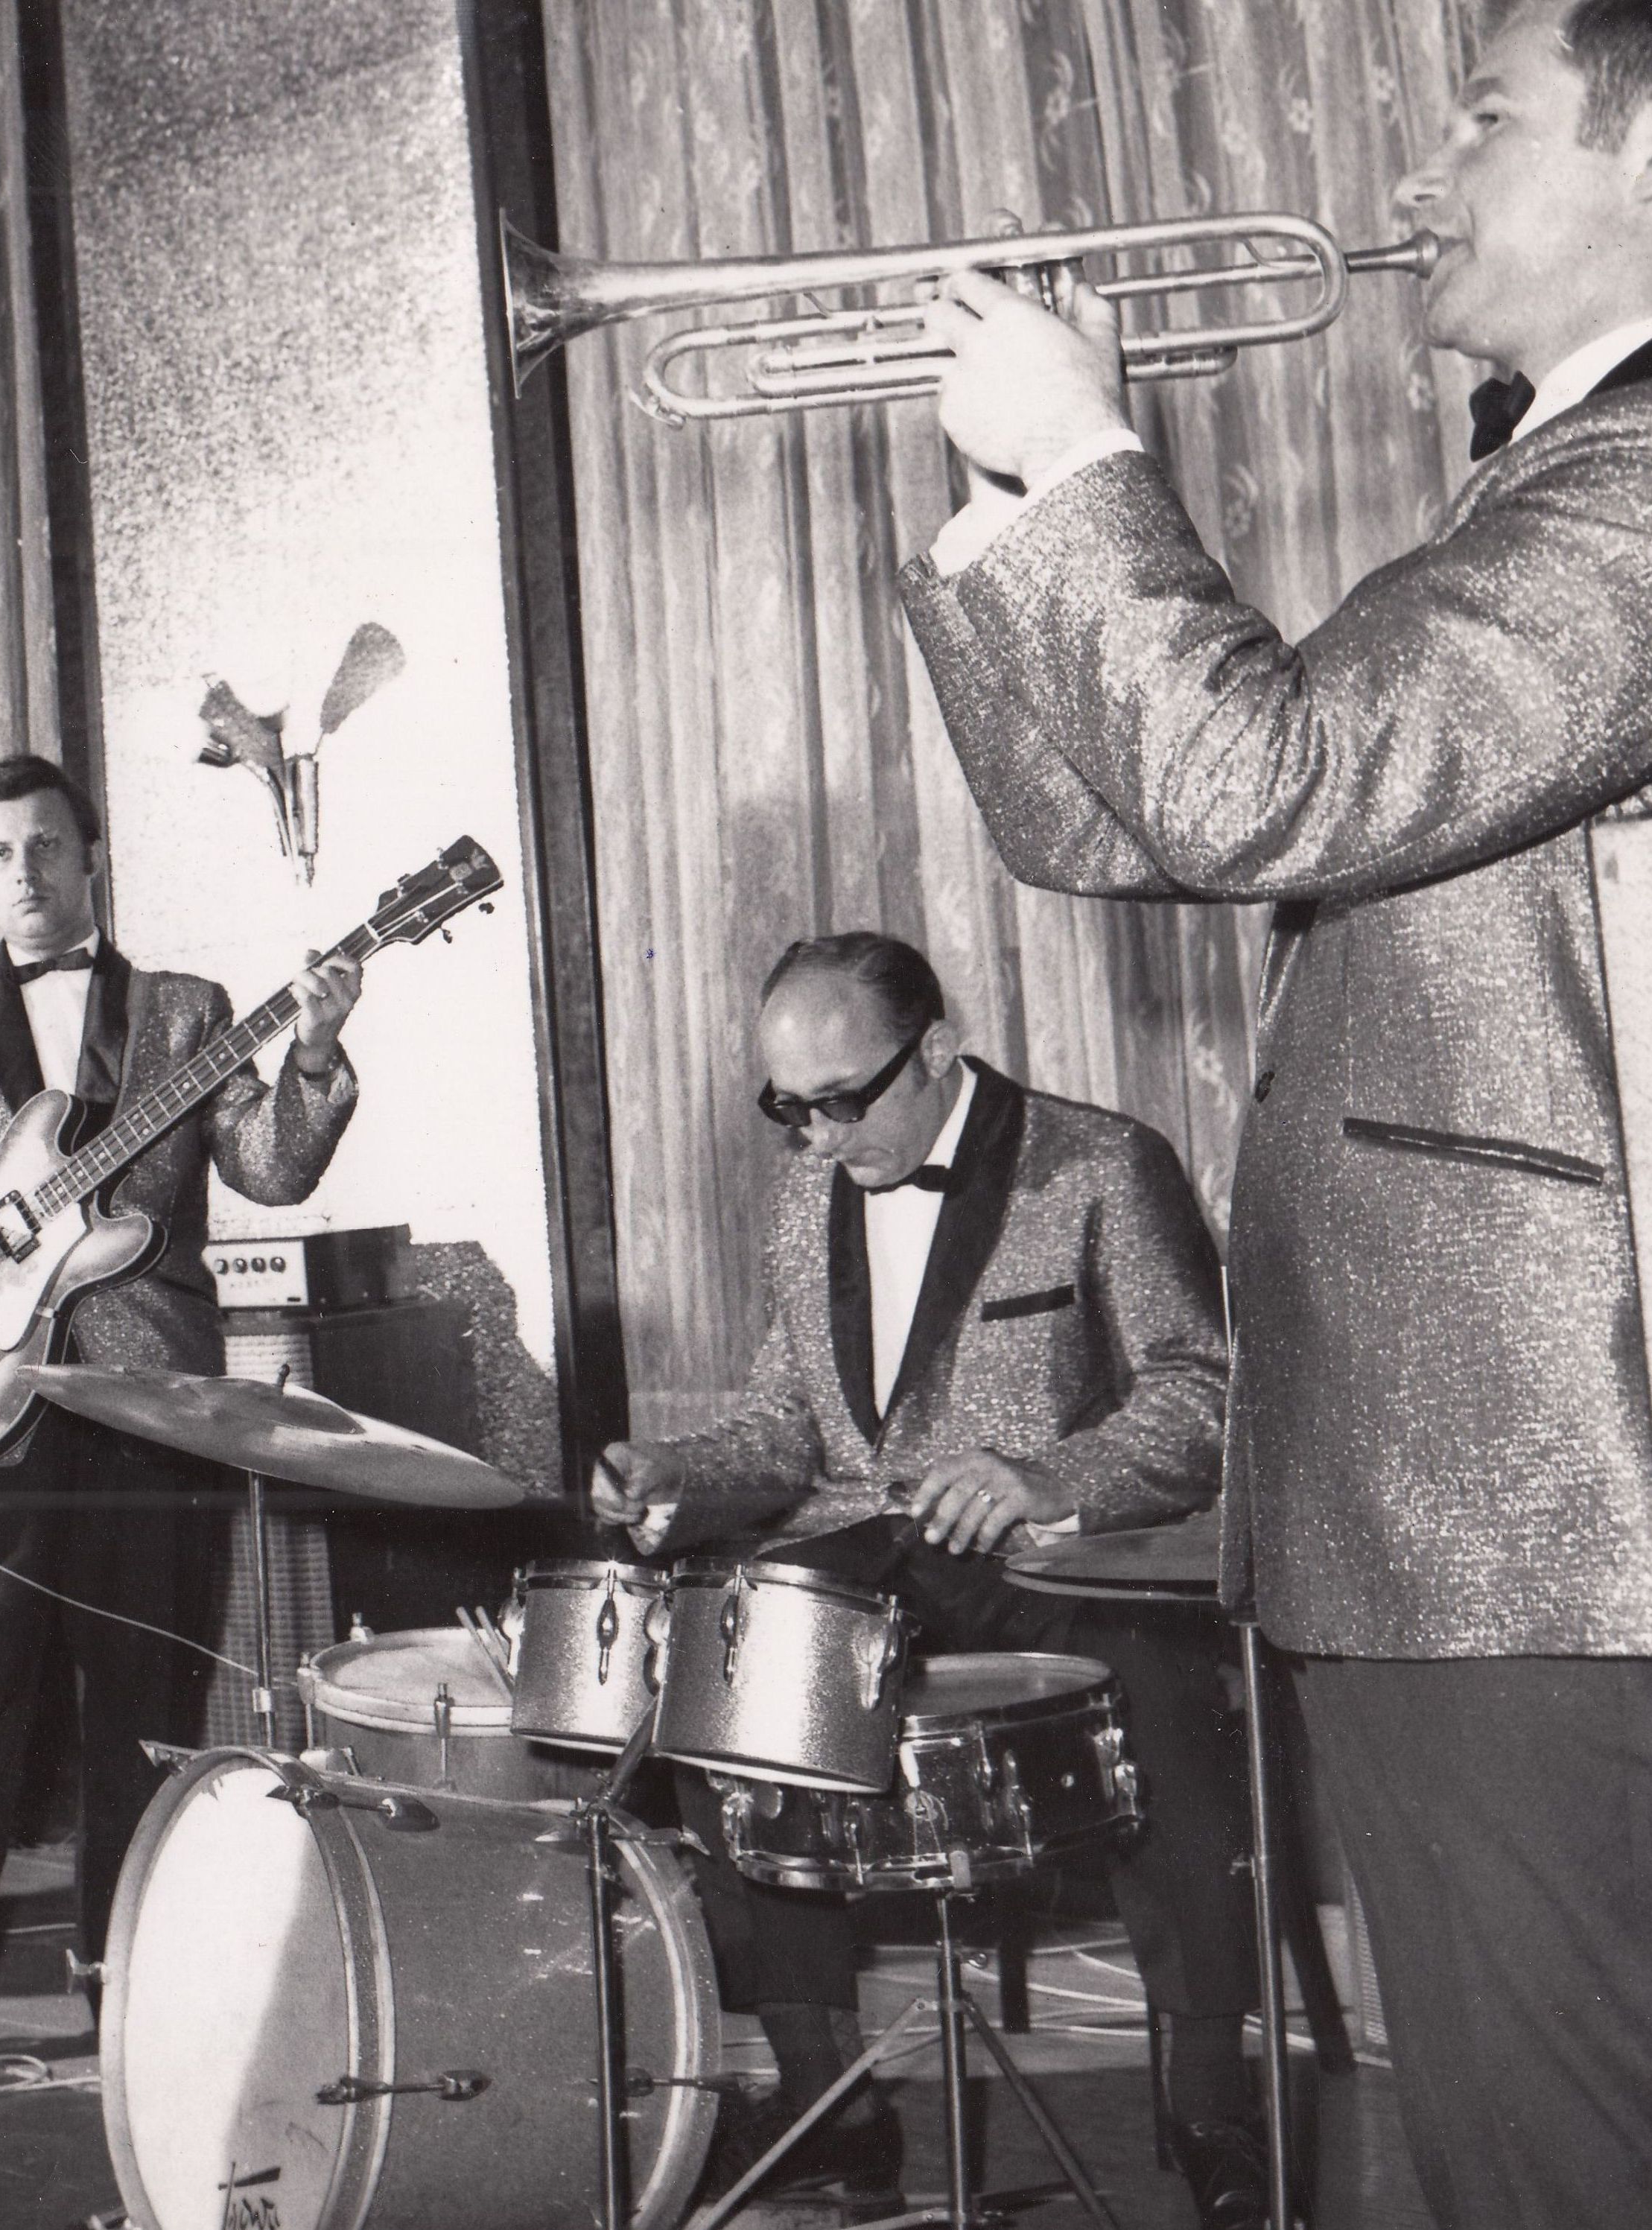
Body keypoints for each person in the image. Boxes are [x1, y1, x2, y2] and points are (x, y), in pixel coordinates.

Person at [898, 1, 1652, 2217]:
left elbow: (1253, 784)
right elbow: (1115, 824)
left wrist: (1089, 462)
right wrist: (1014, 509)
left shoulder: (1632, 486)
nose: (1416, 179)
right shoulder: (1554, 479)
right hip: (1480, 1495)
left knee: (1549, 2154)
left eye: (1483, 121)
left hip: (1525, 1494)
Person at [594, 934, 1261, 2228]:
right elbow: (784, 1430)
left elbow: (1200, 1392)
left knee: (1165, 1704)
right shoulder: (806, 1200)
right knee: (728, 1676)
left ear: (936, 1051)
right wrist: (673, 1468)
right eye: (787, 1107)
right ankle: (831, 2111)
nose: (816, 1137)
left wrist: (1046, 1473)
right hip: (872, 1542)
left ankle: (1208, 2107)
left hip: (1052, 1553)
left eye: (841, 1100)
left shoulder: (1098, 1163)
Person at [0, 754, 364, 2096]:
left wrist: (316, 1051)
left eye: (45, 845)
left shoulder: (186, 1009)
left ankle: (132, 1990)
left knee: (141, 1714)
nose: (23, 873)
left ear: (91, 856)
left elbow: (269, 1168)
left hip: (147, 1405)